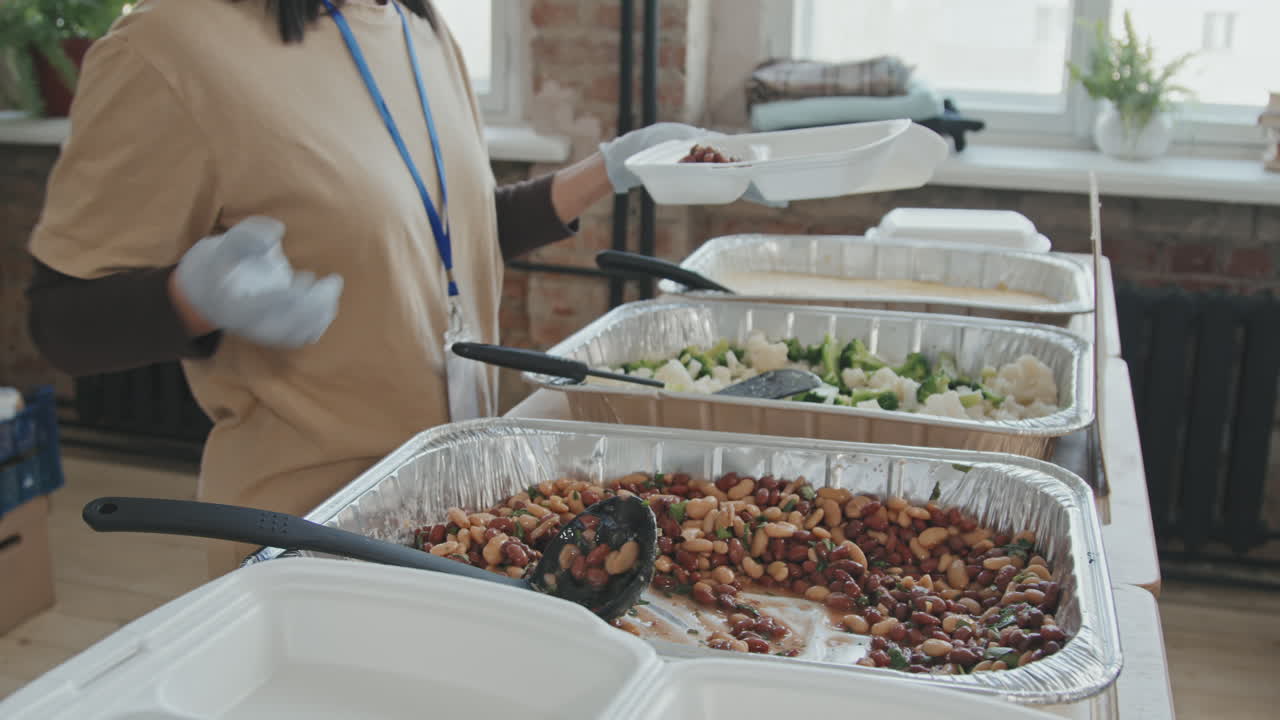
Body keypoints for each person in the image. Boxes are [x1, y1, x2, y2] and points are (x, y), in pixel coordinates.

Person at [25, 0, 724, 577]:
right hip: (311, 536)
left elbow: (441, 234)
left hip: (460, 517)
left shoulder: (418, 29)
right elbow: (61, 320)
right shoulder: (168, 44)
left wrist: (606, 170)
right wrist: (192, 297)